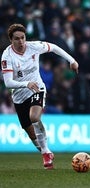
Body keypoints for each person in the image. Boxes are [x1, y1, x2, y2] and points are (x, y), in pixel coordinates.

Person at [1, 23, 79, 169]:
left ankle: (45, 155)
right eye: (17, 39)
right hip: (19, 96)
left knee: (34, 117)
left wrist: (72, 61)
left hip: (37, 88)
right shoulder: (7, 56)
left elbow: (54, 48)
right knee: (31, 135)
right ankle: (46, 152)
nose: (21, 42)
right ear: (11, 40)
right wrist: (25, 84)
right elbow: (8, 83)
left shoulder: (34, 46)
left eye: (23, 38)